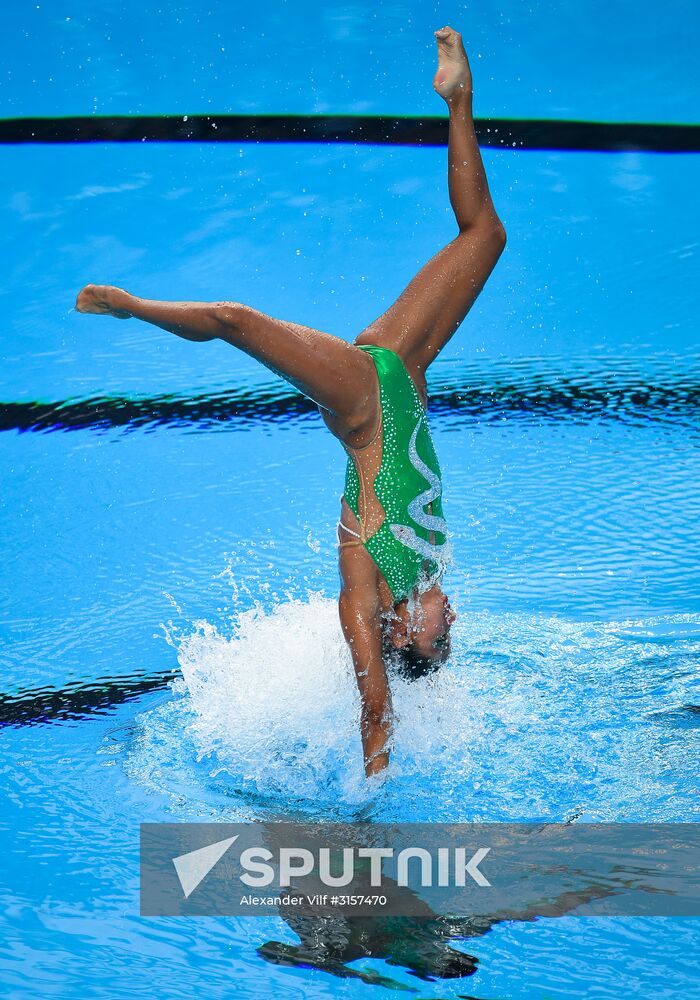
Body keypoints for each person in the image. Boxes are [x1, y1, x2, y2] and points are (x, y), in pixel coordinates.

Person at [75, 26, 506, 776]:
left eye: (443, 634)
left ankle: (129, 306)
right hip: (404, 376)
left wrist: (374, 804)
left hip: (367, 404)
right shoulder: (428, 574)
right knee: (488, 234)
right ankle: (458, 99)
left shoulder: (366, 591)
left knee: (234, 320)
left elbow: (374, 707)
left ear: (405, 634)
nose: (452, 618)